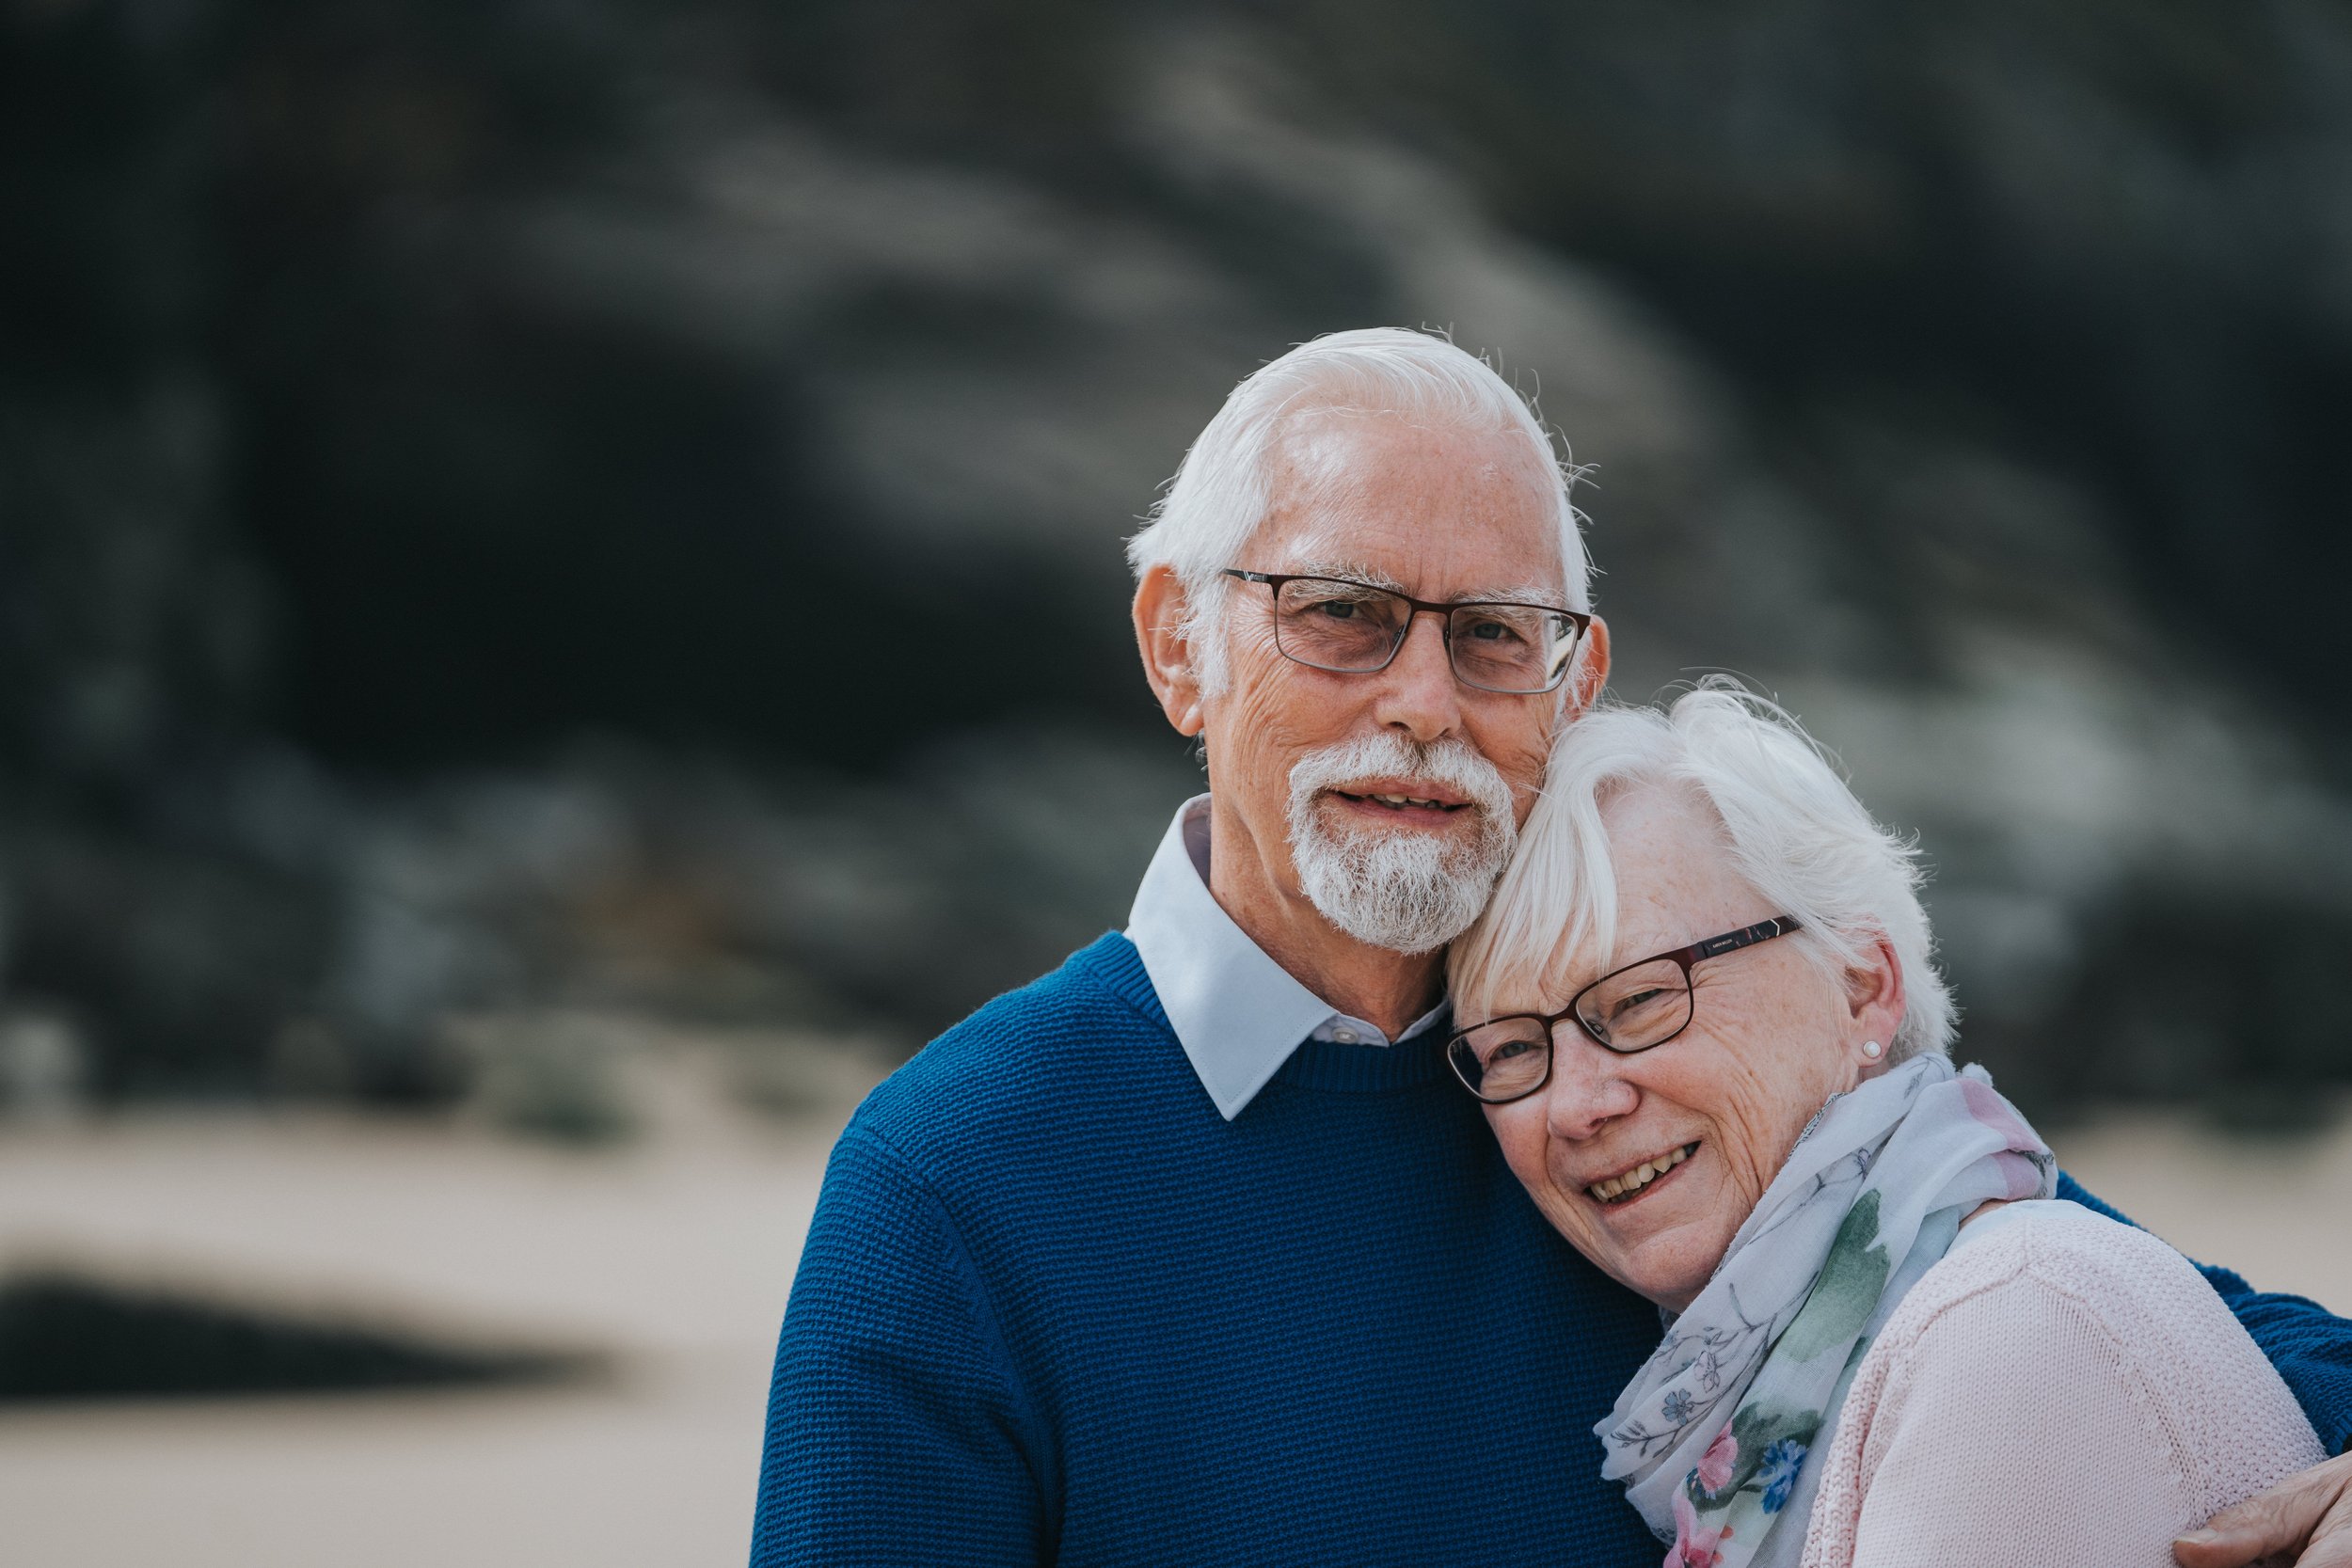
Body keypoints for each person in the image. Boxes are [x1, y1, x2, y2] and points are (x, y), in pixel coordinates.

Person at [751, 328, 2352, 1566]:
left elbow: (2123, 1309)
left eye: (1494, 635)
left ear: (1572, 689)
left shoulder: (1650, 1101)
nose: (1425, 702)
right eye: (1342, 613)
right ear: (1182, 642)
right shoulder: (953, 1187)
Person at [1444, 684, 2330, 1567]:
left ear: (1862, 984)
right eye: (1515, 1050)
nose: (1575, 1103)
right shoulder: (1770, 1393)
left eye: (1638, 999)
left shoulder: (2005, 1327)